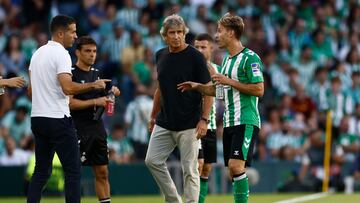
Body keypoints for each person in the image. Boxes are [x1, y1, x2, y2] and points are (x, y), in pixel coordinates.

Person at [178, 13, 264, 203]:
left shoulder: (250, 58)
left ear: (231, 33)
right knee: (233, 172)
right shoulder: (226, 61)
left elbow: (259, 89)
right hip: (229, 122)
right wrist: (197, 86)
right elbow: (219, 92)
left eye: (220, 31)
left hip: (246, 120)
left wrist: (229, 81)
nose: (217, 35)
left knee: (235, 167)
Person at [27, 15, 109, 203]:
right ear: (61, 33)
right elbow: (68, 88)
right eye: (72, 31)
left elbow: (31, 92)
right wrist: (94, 86)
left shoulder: (37, 53)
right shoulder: (62, 54)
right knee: (73, 171)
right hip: (58, 119)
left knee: (40, 172)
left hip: (38, 118)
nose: (75, 35)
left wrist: (45, 97)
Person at [144, 14, 213, 203]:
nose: (176, 36)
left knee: (190, 170)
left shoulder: (195, 57)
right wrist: (152, 116)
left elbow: (209, 91)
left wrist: (204, 119)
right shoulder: (160, 55)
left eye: (180, 32)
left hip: (190, 123)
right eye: (172, 33)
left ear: (185, 34)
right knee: (152, 161)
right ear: (164, 35)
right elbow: (160, 88)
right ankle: (174, 199)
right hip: (165, 121)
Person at [69, 36, 120, 203]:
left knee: (103, 172)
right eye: (88, 51)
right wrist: (95, 101)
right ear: (78, 52)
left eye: (94, 51)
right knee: (74, 174)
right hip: (78, 129)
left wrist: (112, 94)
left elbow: (104, 102)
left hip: (97, 129)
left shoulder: (98, 74)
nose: (92, 55)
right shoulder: (70, 74)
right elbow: (69, 104)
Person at [193, 33, 221, 203]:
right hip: (193, 124)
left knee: (207, 168)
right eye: (196, 47)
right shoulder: (189, 68)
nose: (199, 50)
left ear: (211, 48)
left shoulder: (218, 70)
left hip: (209, 125)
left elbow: (222, 95)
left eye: (203, 47)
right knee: (198, 165)